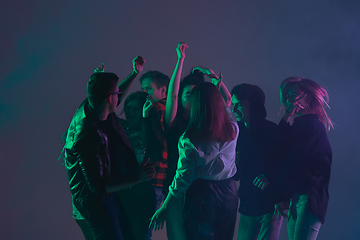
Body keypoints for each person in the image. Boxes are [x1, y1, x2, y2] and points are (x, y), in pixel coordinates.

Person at [61, 57, 155, 240]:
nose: (119, 95)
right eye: (116, 93)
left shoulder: (96, 106)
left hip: (104, 198)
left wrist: (135, 73)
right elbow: (97, 186)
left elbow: (114, 94)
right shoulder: (86, 135)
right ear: (108, 98)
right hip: (93, 204)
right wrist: (138, 177)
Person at [150, 82, 239, 240]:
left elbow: (183, 178)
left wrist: (165, 207)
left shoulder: (190, 139)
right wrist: (218, 84)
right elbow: (227, 104)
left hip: (202, 193)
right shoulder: (232, 128)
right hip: (229, 192)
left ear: (196, 104)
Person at [254, 77, 333, 240]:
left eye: (295, 95)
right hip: (297, 196)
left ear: (308, 97)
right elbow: (277, 148)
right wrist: (288, 113)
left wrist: (282, 195)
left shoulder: (311, 125)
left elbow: (297, 164)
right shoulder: (298, 125)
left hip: (308, 197)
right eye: (287, 95)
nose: (290, 99)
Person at [231, 84, 283, 240]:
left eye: (239, 104)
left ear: (253, 105)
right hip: (248, 205)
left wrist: (270, 178)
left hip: (269, 205)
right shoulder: (237, 132)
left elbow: (286, 164)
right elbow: (236, 175)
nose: (234, 109)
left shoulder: (272, 131)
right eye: (234, 104)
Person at [140, 71, 170, 239]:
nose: (145, 93)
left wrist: (144, 116)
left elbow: (148, 143)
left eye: (148, 89)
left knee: (143, 228)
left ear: (162, 90)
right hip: (164, 175)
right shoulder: (175, 108)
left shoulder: (156, 108)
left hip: (154, 174)